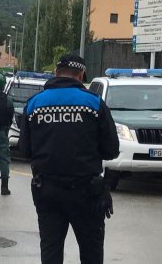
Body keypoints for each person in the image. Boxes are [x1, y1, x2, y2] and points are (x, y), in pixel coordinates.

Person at [19, 53, 119, 264]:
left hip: (47, 191)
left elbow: (25, 150)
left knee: (51, 250)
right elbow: (111, 150)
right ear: (81, 74)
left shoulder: (34, 104)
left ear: (56, 73)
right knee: (91, 252)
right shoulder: (94, 104)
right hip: (87, 192)